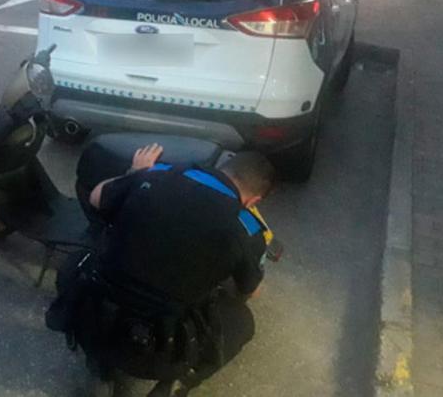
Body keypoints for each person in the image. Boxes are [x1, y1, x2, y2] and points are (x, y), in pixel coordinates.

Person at [49, 144, 276, 396]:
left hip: (97, 312)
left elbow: (96, 197)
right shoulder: (247, 228)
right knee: (241, 322)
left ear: (222, 168)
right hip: (166, 342)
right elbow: (249, 290)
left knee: (77, 262)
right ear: (254, 201)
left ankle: (100, 364)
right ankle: (181, 380)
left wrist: (135, 171)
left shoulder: (155, 175)